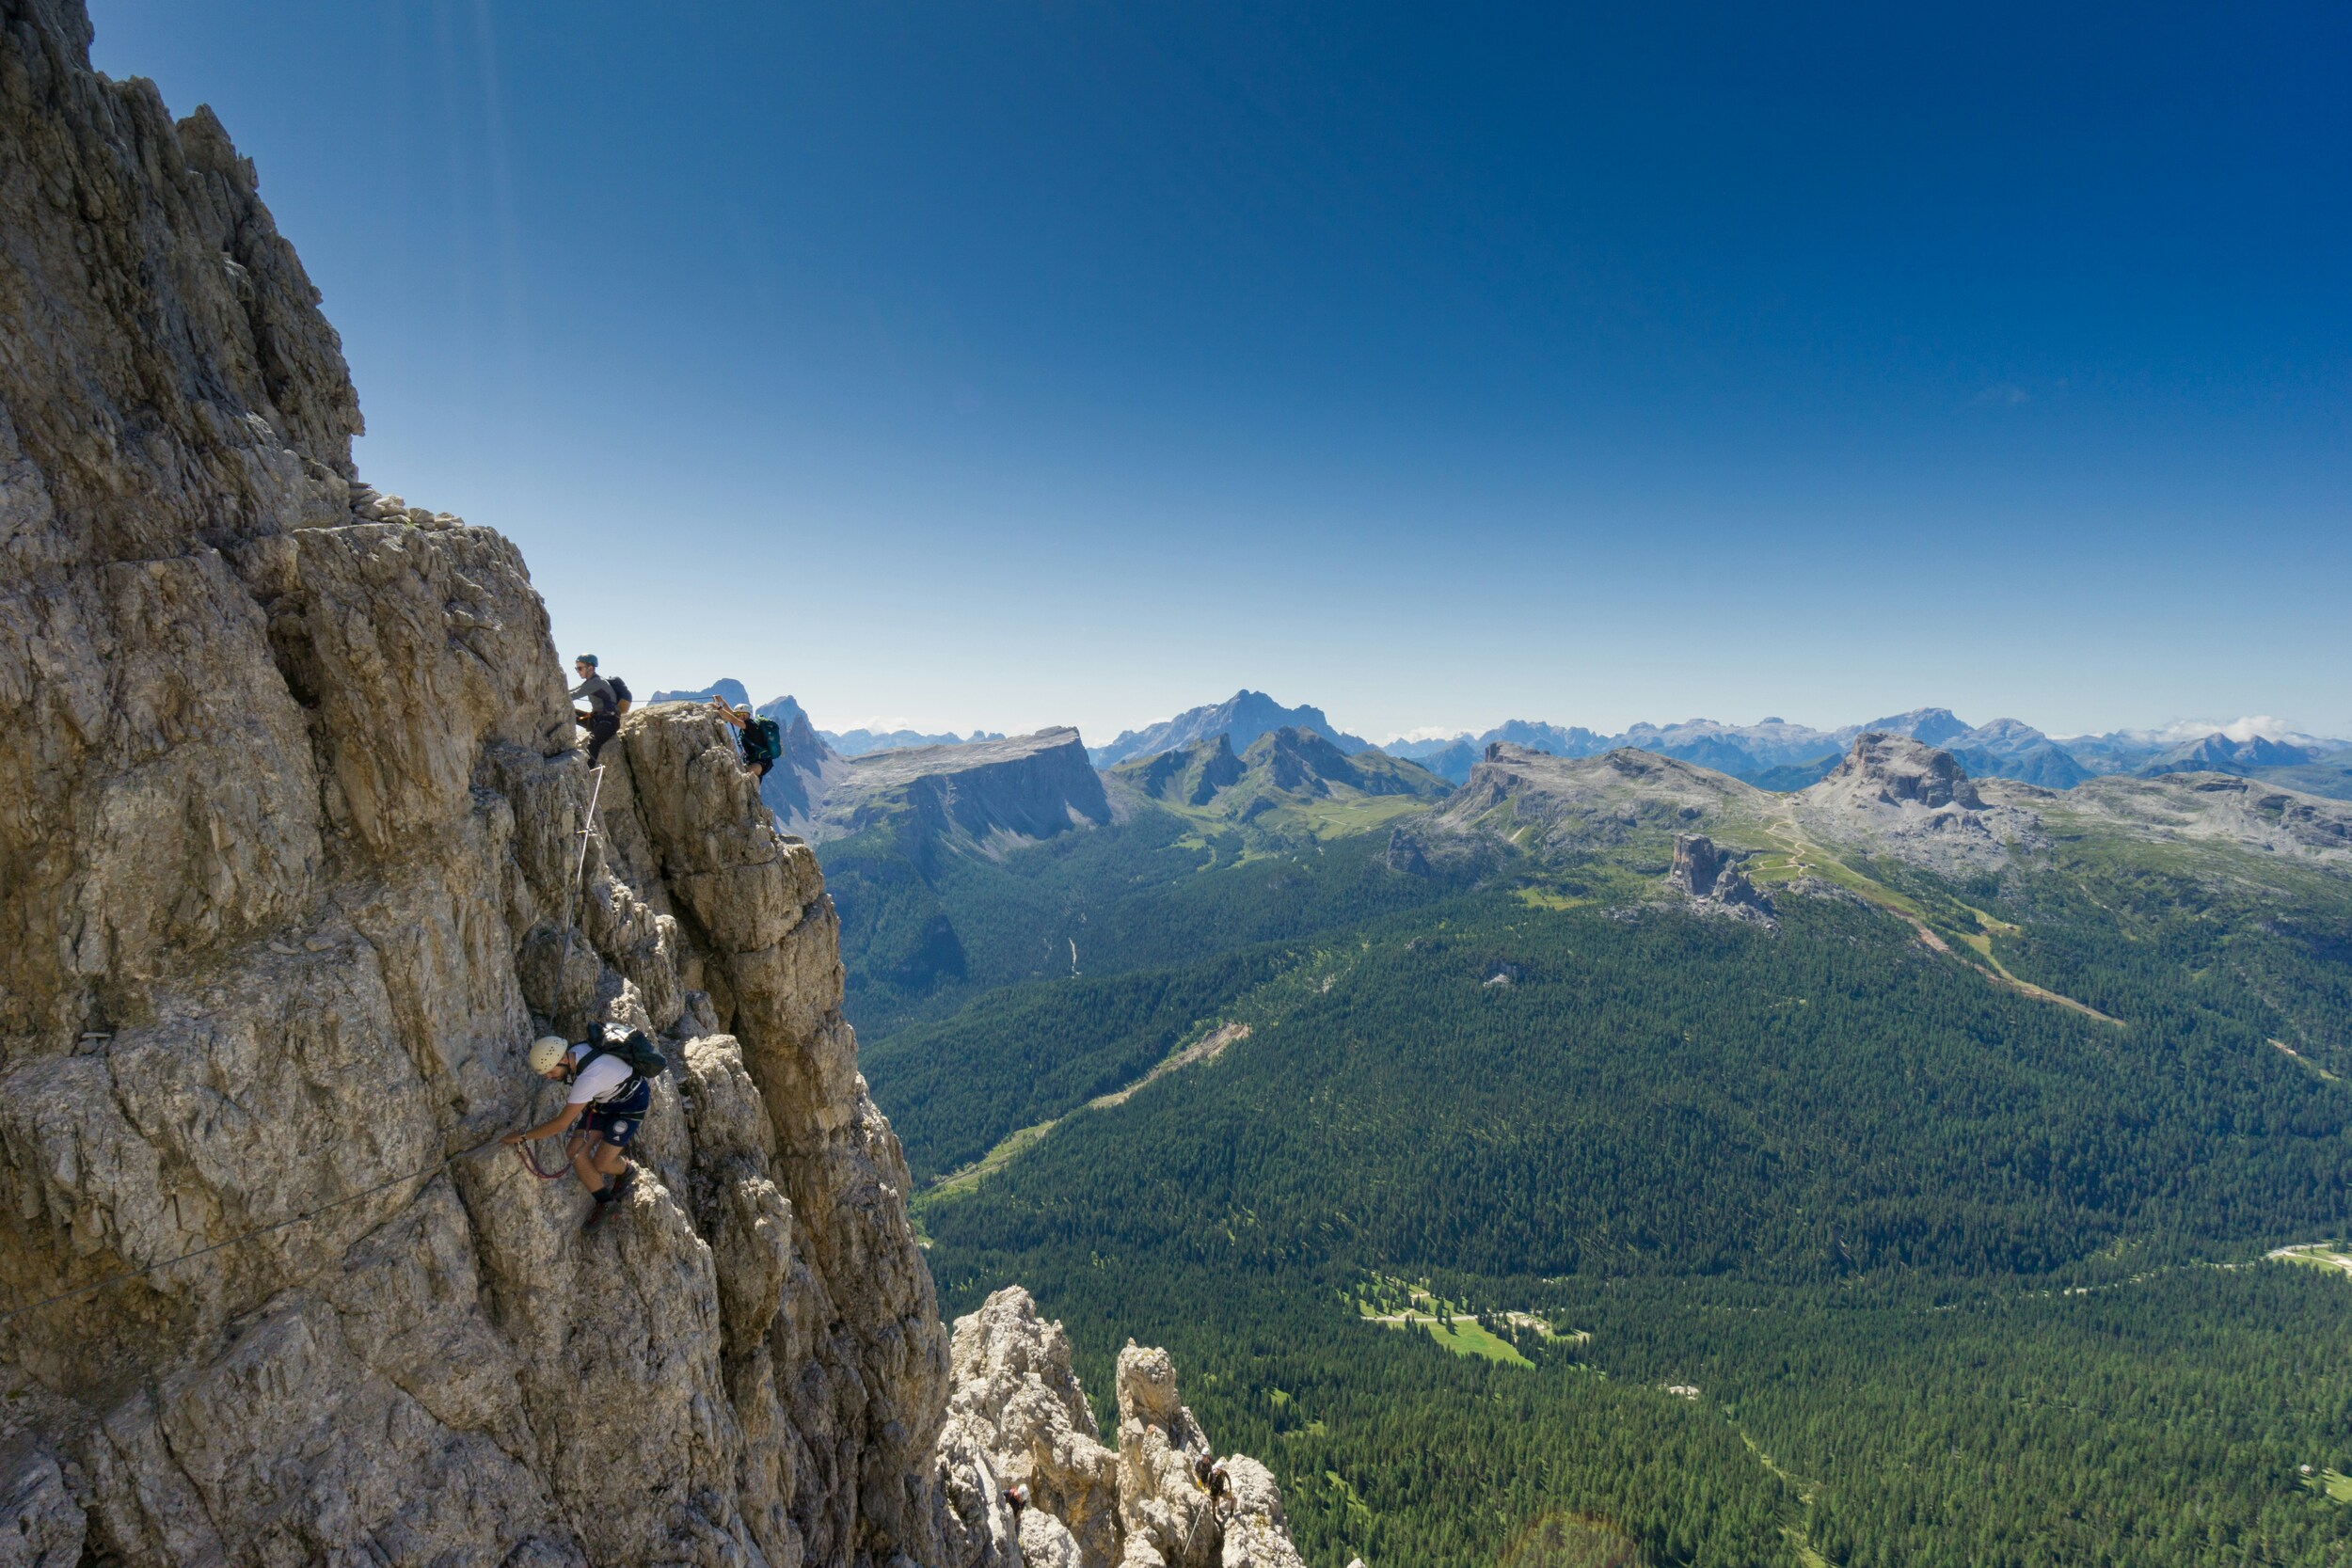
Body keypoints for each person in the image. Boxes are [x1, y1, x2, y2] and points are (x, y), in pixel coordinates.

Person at [505, 1033, 646, 1224]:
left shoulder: (588, 1078)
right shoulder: (575, 1052)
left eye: (550, 1071)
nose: (548, 1077)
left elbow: (561, 1123)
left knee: (602, 1163)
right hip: (604, 1100)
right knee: (575, 1151)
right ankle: (605, 1202)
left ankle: (627, 1170)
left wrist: (523, 1136)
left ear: (563, 1059)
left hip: (630, 1106)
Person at [711, 698, 781, 780]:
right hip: (756, 761)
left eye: (741, 714)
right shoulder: (747, 725)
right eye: (738, 715)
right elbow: (733, 715)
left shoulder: (750, 725)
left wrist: (718, 708)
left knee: (744, 775)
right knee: (749, 779)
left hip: (763, 762)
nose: (739, 716)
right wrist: (722, 701)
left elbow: (733, 719)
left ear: (746, 715)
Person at [569, 655, 619, 766]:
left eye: (580, 668)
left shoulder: (597, 682)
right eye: (576, 668)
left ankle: (589, 768)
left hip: (609, 723)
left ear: (590, 668)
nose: (578, 671)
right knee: (570, 712)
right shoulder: (590, 681)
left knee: (593, 741)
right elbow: (574, 690)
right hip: (597, 720)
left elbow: (575, 694)